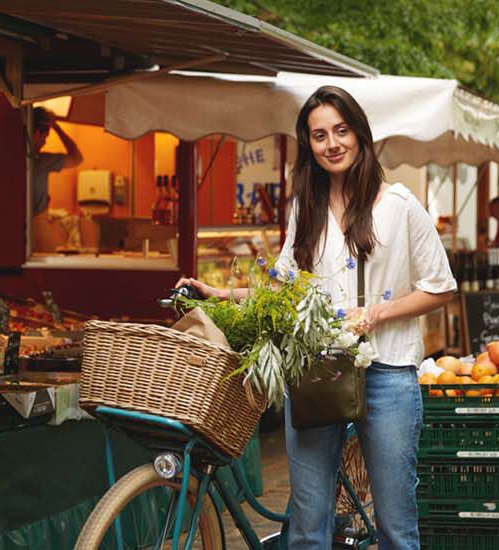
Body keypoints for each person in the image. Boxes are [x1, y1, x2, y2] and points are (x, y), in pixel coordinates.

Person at [177, 86, 455, 549]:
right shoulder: (305, 208)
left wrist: (376, 313)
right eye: (320, 135)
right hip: (315, 370)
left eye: (341, 131)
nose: (333, 143)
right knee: (308, 524)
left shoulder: (400, 206)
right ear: (309, 145)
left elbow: (440, 286)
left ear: (360, 135)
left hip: (387, 373)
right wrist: (221, 295)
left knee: (396, 524)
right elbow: (285, 288)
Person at [29, 107, 83, 217]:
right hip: (36, 224)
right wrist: (56, 127)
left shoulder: (10, 156)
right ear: (37, 134)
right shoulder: (41, 162)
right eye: (44, 138)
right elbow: (77, 158)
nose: (44, 143)